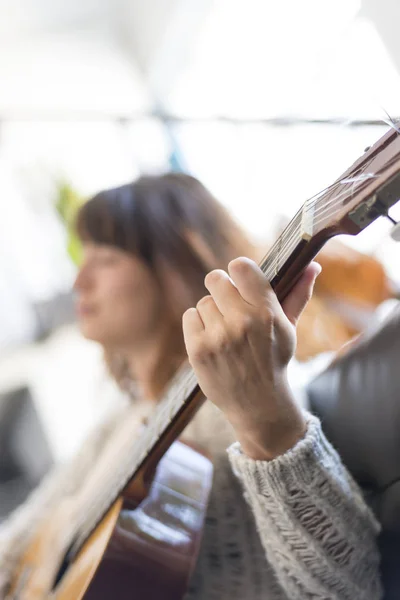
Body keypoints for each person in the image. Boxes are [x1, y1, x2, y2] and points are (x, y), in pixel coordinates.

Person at [0, 173, 382, 599]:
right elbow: (19, 546)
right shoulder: (119, 421)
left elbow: (347, 592)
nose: (78, 280)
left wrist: (265, 423)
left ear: (177, 260)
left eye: (105, 258)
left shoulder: (251, 396)